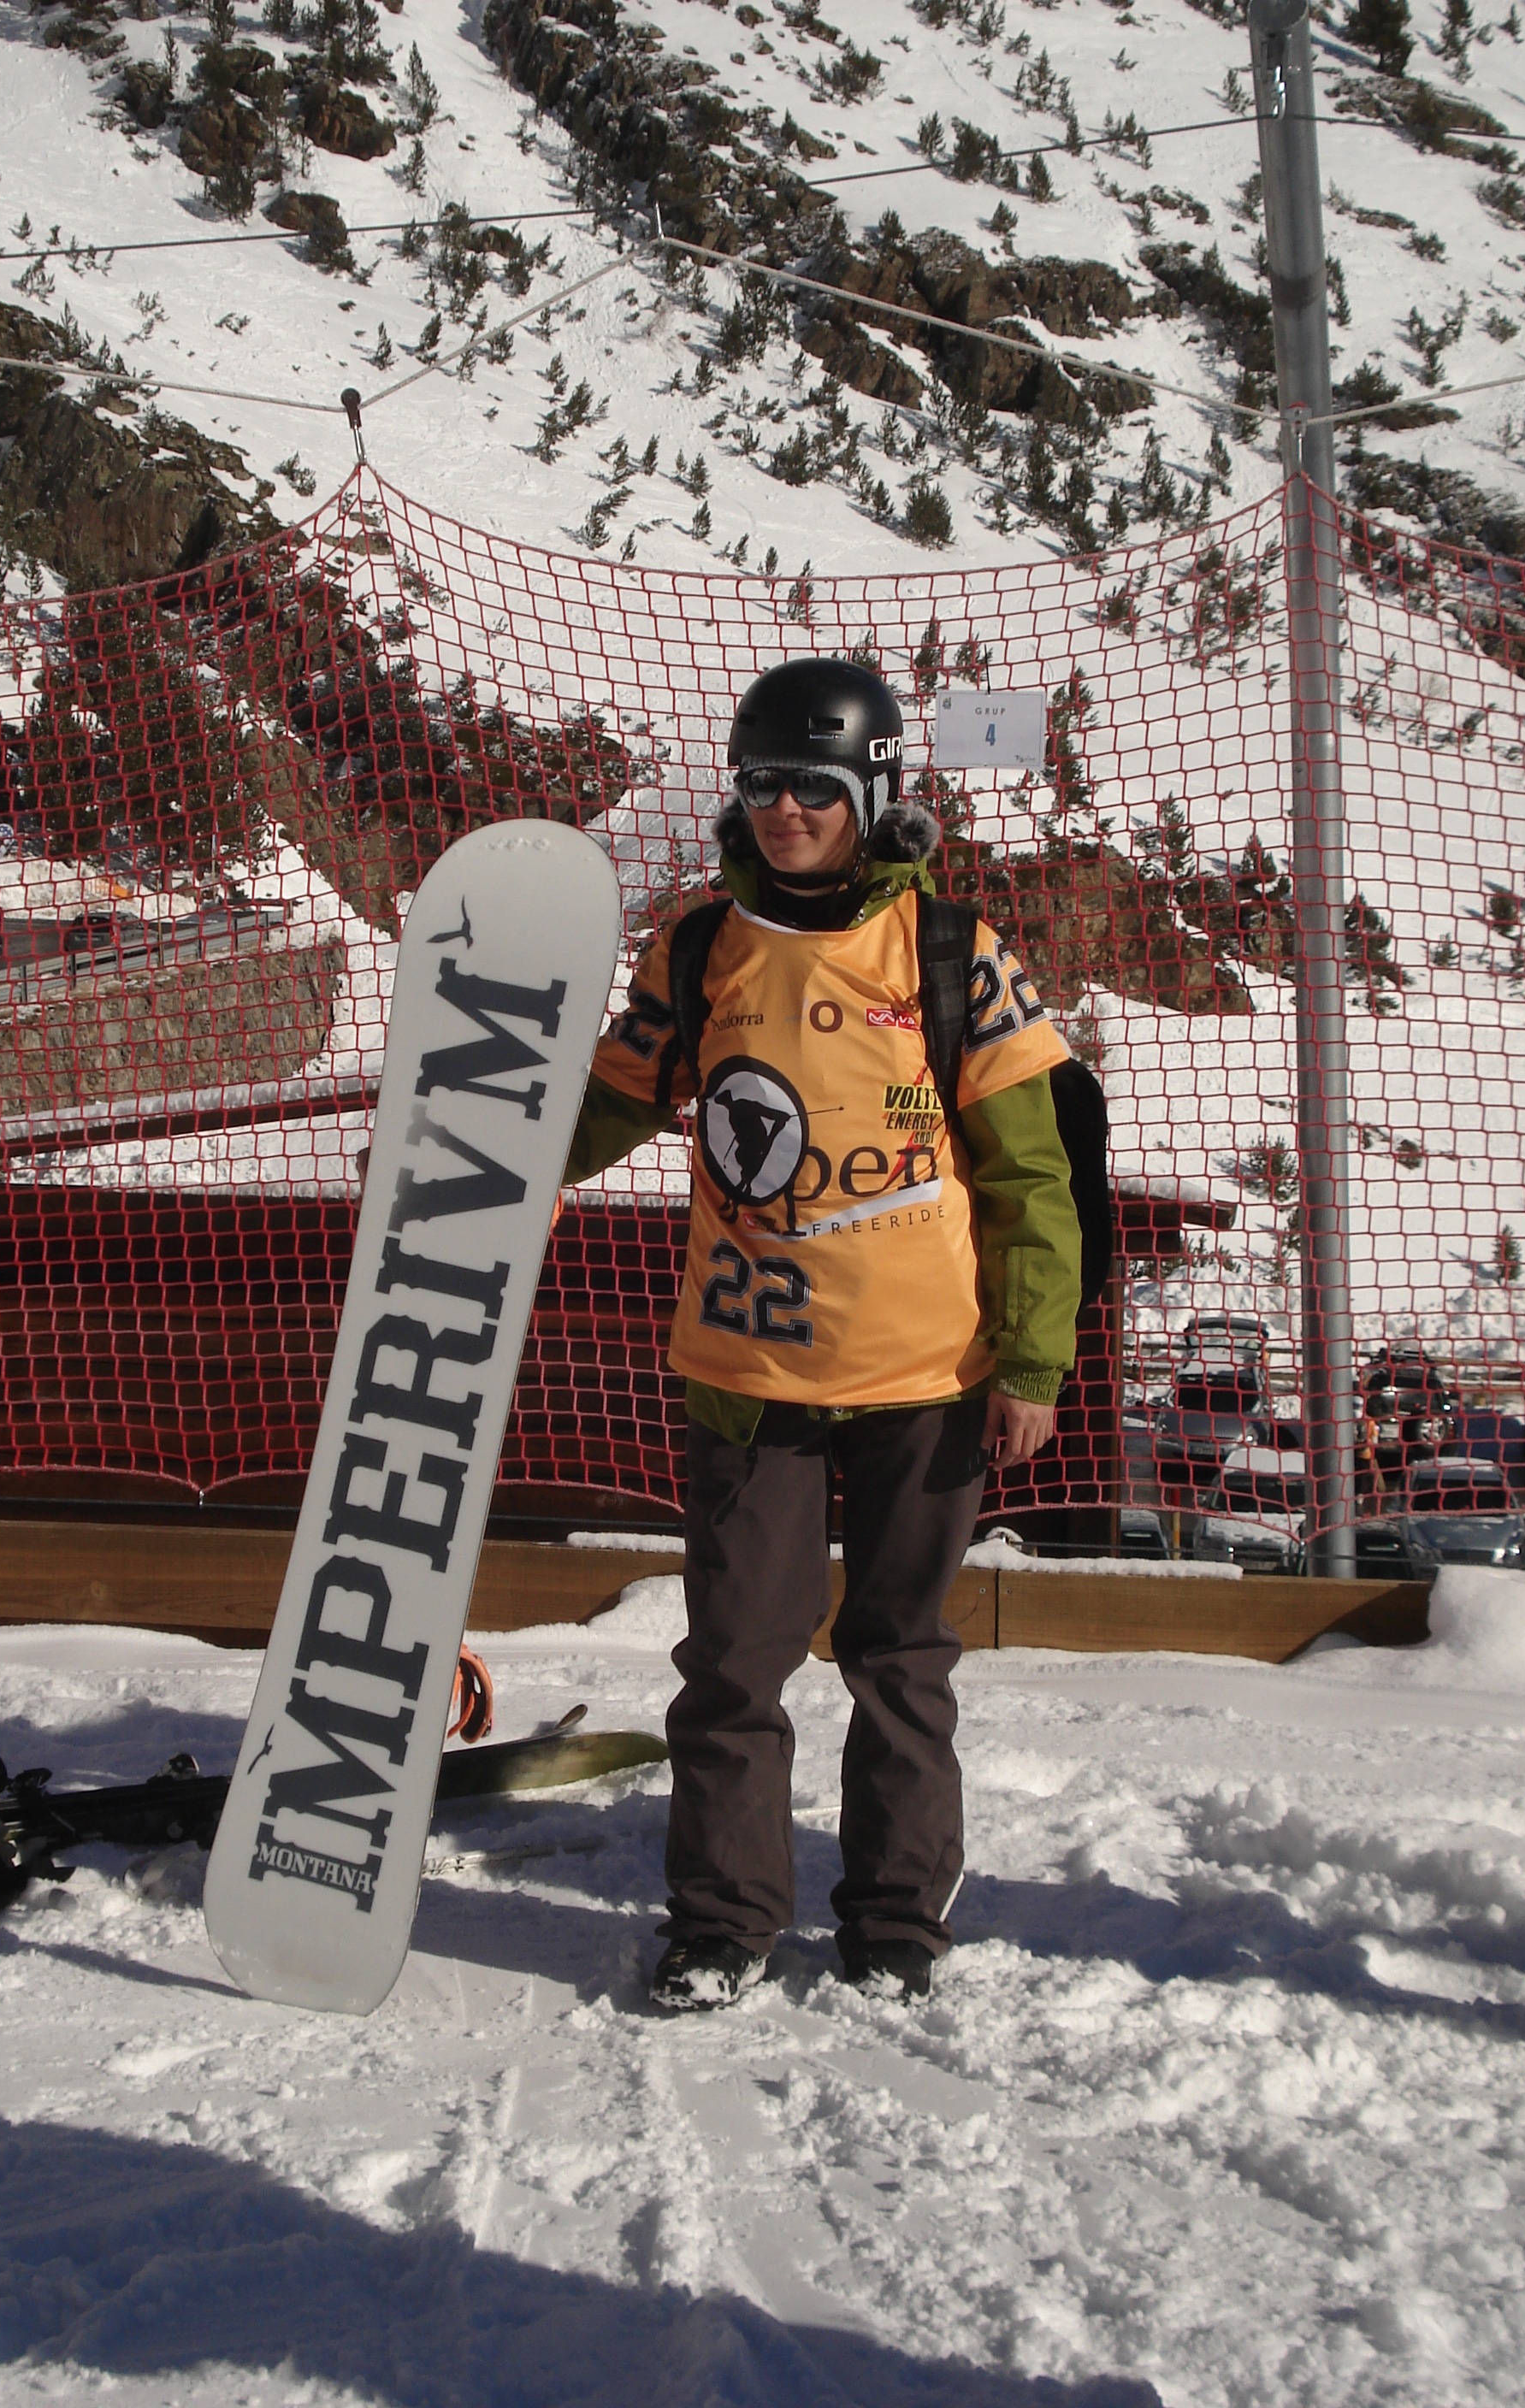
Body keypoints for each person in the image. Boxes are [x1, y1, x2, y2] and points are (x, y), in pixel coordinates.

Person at [563, 658, 1082, 2009]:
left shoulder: (952, 954)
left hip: (928, 1375)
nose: (784, 809)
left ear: (873, 791)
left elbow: (1032, 1178)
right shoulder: (700, 949)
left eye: (813, 784)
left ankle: (895, 1924)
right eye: (761, 784)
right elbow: (614, 1098)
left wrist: (1033, 1362)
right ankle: (724, 1924)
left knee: (898, 1657)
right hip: (751, 1374)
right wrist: (492, 1148)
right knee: (735, 1662)